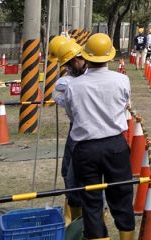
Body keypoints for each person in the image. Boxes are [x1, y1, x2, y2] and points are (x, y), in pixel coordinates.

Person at [54, 32, 133, 240]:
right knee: (122, 196)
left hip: (85, 148)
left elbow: (72, 115)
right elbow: (124, 105)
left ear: (86, 56)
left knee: (91, 201)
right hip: (115, 145)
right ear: (110, 56)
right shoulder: (122, 80)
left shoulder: (72, 86)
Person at [48, 35, 85, 226]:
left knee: (72, 175)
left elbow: (60, 97)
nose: (68, 68)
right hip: (82, 130)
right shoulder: (69, 81)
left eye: (69, 64)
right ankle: (76, 216)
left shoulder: (71, 84)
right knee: (70, 173)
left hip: (83, 132)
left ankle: (79, 219)